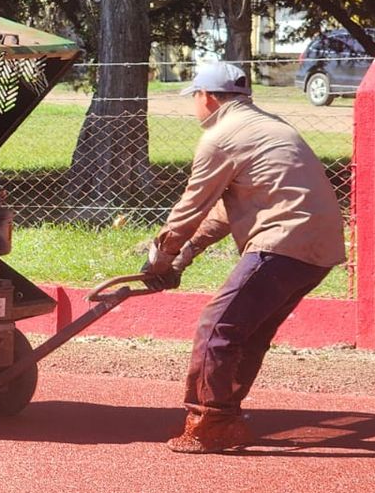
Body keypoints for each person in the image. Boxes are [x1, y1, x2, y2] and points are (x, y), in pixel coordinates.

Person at [141, 62, 345, 453]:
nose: (195, 108)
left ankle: (210, 423)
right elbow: (223, 210)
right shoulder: (268, 126)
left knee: (216, 327)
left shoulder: (221, 137)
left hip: (282, 240)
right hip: (318, 249)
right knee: (247, 333)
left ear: (208, 97)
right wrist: (186, 253)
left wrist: (162, 256)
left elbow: (192, 206)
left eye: (196, 99)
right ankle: (225, 416)